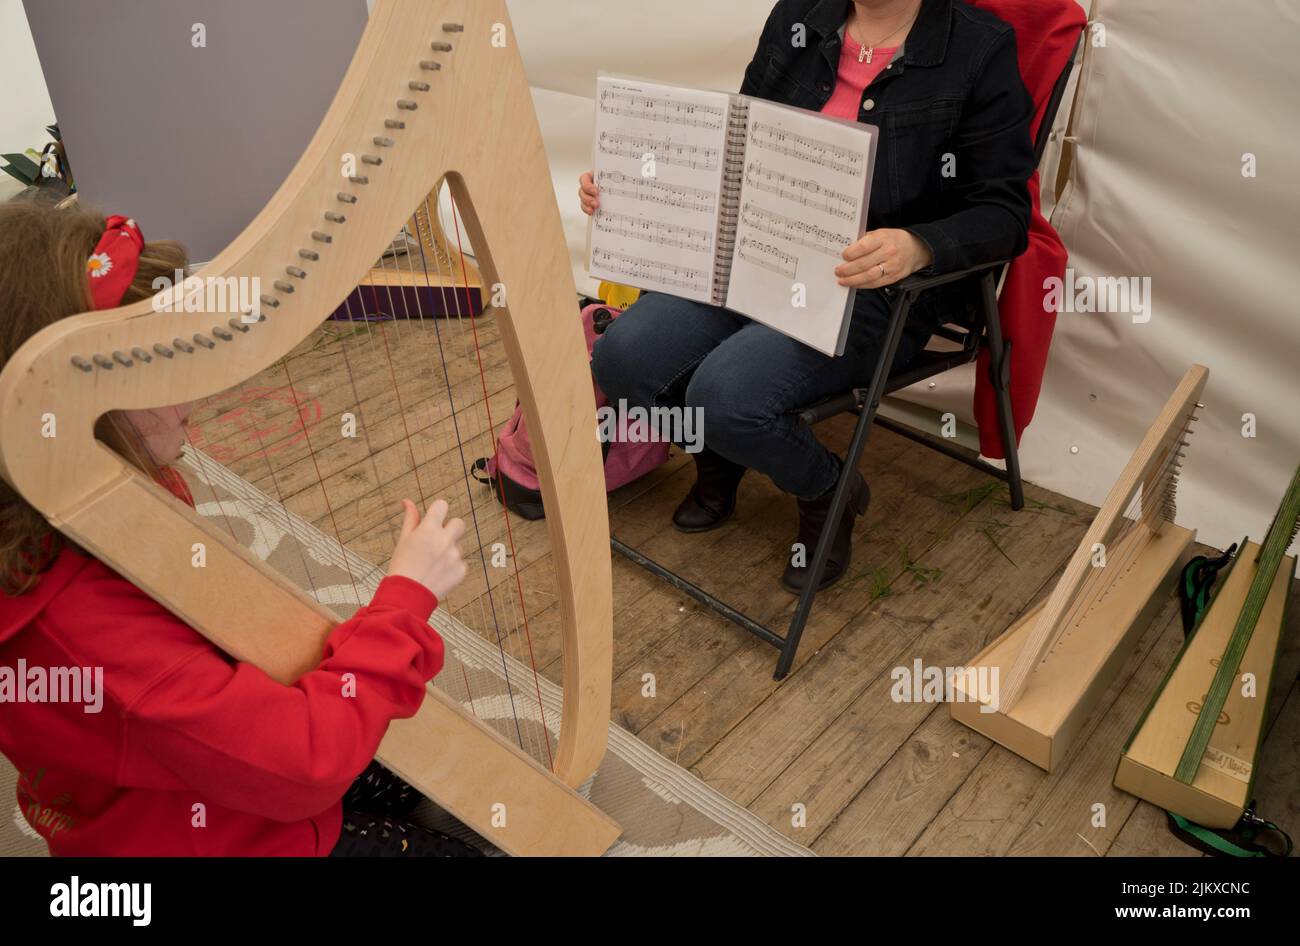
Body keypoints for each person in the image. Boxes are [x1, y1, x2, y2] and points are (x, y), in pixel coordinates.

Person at [0, 202, 478, 856]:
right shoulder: (86, 633)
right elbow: (303, 769)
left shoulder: (75, 499)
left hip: (177, 775)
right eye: (162, 370)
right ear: (65, 411)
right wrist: (403, 600)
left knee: (422, 757)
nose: (195, 395)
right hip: (205, 837)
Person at [584, 0, 1034, 591]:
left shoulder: (978, 48)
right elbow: (736, 140)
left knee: (727, 396)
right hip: (758, 253)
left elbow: (1005, 213)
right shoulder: (802, 13)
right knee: (623, 358)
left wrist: (919, 245)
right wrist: (631, 185)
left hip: (872, 285)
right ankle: (718, 454)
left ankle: (829, 489)